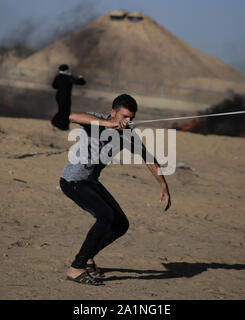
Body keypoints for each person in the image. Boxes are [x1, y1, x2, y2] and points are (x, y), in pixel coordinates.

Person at [59, 94, 171, 286]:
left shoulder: (127, 134)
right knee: (105, 216)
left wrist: (163, 184)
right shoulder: (96, 120)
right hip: (73, 180)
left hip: (91, 182)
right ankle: (76, 268)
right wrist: (106, 124)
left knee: (121, 224)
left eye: (131, 118)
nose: (127, 122)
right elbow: (73, 116)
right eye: (124, 116)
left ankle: (87, 257)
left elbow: (148, 157)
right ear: (113, 112)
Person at [50, 64, 86, 131]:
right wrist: (81, 78)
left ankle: (60, 125)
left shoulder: (58, 77)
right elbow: (79, 82)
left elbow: (54, 86)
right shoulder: (69, 77)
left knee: (62, 111)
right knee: (65, 111)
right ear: (67, 70)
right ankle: (58, 125)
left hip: (59, 96)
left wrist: (61, 86)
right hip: (66, 97)